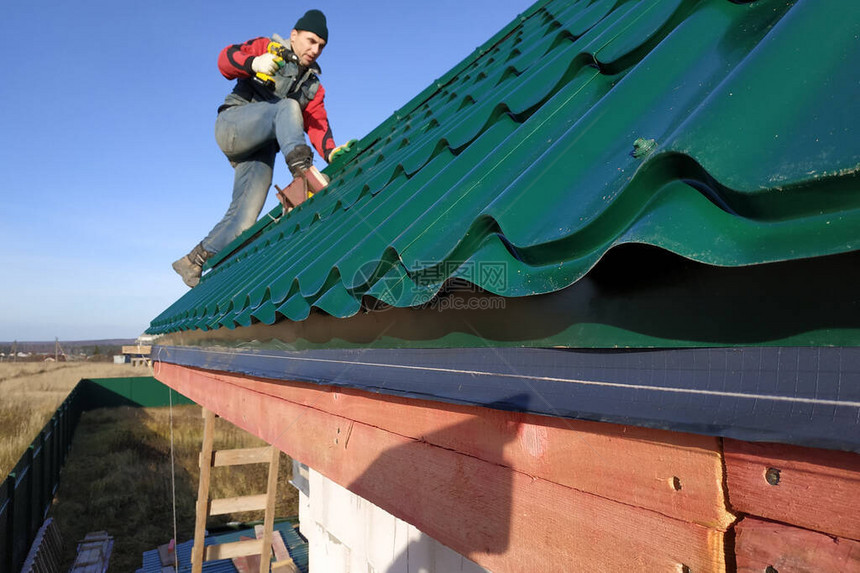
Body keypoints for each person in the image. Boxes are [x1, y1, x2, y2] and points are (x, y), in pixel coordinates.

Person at [173, 9, 351, 287]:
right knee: (288, 107)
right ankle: (303, 174)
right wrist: (254, 62)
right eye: (310, 40)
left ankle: (193, 261)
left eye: (321, 46)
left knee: (243, 220)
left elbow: (318, 124)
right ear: (294, 36)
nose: (315, 49)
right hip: (233, 125)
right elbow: (224, 59)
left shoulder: (313, 87)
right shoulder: (268, 47)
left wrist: (332, 153)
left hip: (260, 151)